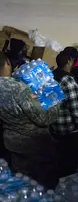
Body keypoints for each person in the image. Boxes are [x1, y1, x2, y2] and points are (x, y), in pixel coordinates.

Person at [0, 52, 59, 189]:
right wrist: (53, 97)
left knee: (21, 180)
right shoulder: (18, 89)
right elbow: (45, 118)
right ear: (8, 63)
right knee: (41, 183)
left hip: (12, 142)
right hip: (34, 145)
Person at [50, 50, 78, 177]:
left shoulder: (50, 78)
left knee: (55, 163)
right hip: (68, 132)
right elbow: (77, 113)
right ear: (69, 62)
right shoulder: (69, 83)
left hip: (52, 128)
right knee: (68, 166)